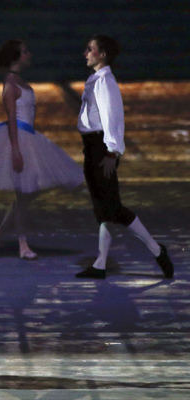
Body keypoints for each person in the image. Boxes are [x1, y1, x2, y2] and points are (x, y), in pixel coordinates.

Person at [0, 39, 84, 260]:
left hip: (29, 137)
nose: (29, 54)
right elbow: (12, 120)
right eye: (25, 52)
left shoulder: (21, 82)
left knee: (28, 193)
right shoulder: (10, 85)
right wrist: (16, 151)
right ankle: (23, 245)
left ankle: (0, 233)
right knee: (23, 192)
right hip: (16, 139)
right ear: (16, 58)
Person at [74, 35, 173, 279]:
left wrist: (111, 151)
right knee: (104, 208)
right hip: (93, 148)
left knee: (113, 208)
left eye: (90, 49)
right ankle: (100, 263)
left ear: (102, 55)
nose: (85, 53)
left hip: (101, 149)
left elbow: (112, 117)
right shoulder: (97, 79)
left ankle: (156, 249)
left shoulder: (105, 82)